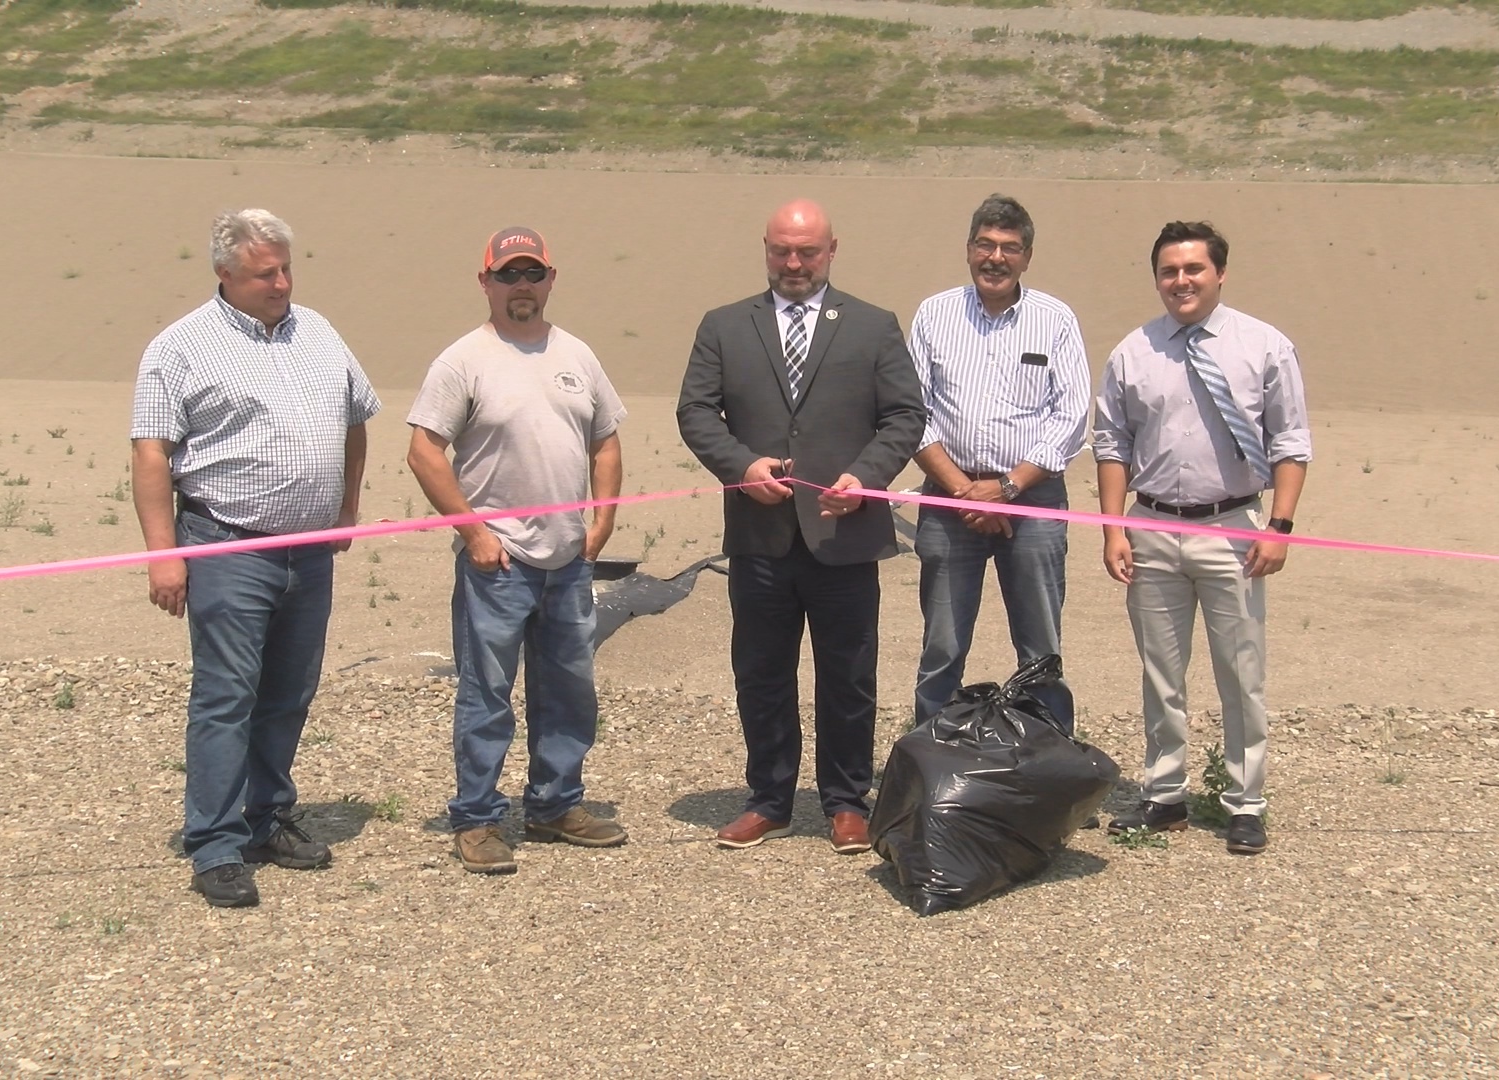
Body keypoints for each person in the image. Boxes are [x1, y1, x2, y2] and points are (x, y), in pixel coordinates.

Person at [130, 208, 380, 908]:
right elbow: (151, 454)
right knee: (227, 696)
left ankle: (267, 817)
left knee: (289, 691)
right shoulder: (179, 348)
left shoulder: (319, 332)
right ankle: (214, 843)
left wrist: (346, 507)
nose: (282, 283)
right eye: (265, 273)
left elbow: (355, 421)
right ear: (225, 274)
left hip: (310, 550)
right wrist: (163, 556)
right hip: (227, 545)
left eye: (287, 269)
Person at [677, 199, 926, 854]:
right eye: (782, 250)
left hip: (844, 535)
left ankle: (846, 801)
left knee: (848, 674)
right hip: (759, 537)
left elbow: (905, 415)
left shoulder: (873, 326)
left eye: (807, 251)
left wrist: (865, 476)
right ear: (765, 248)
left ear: (831, 250)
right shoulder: (724, 326)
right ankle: (769, 800)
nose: (794, 263)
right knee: (762, 672)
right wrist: (741, 465)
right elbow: (696, 410)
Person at [407, 227, 627, 875]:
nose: (521, 285)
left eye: (532, 273)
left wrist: (602, 522)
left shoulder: (577, 355)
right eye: (508, 274)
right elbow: (424, 451)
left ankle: (555, 804)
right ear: (486, 283)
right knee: (487, 695)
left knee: (569, 691)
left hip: (568, 563)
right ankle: (476, 819)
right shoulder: (463, 360)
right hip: (497, 566)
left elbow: (606, 442)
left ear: (551, 279)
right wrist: (475, 533)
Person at [1093, 220, 1311, 855]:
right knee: (1161, 673)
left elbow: (1291, 441)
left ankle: (1245, 801)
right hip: (1152, 528)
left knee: (1241, 673)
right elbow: (1112, 444)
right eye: (1169, 271)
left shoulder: (1265, 347)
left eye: (1193, 269)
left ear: (1219, 273)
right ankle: (1165, 794)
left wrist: (1280, 527)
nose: (1181, 281)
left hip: (1233, 528)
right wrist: (1113, 528)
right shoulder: (1133, 352)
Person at [908, 194, 1093, 733]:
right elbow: (910, 413)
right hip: (950, 503)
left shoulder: (1055, 320)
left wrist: (1007, 488)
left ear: (1027, 257)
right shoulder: (934, 314)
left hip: (1033, 504)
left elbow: (1071, 417)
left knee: (1040, 648)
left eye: (1009, 248)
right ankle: (931, 756)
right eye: (985, 245)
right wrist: (964, 491)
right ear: (968, 249)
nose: (996, 258)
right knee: (942, 646)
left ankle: (1049, 755)